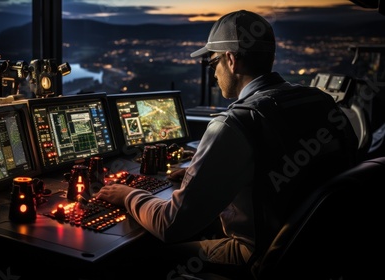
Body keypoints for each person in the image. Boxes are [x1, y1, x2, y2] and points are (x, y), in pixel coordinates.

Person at [96, 10, 358, 278]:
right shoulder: (320, 102)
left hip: (258, 255)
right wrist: (203, 175)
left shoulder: (236, 123)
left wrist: (128, 195)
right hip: (317, 252)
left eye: (213, 64)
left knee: (141, 255)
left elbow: (170, 225)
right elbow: (280, 172)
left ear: (231, 60)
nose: (213, 75)